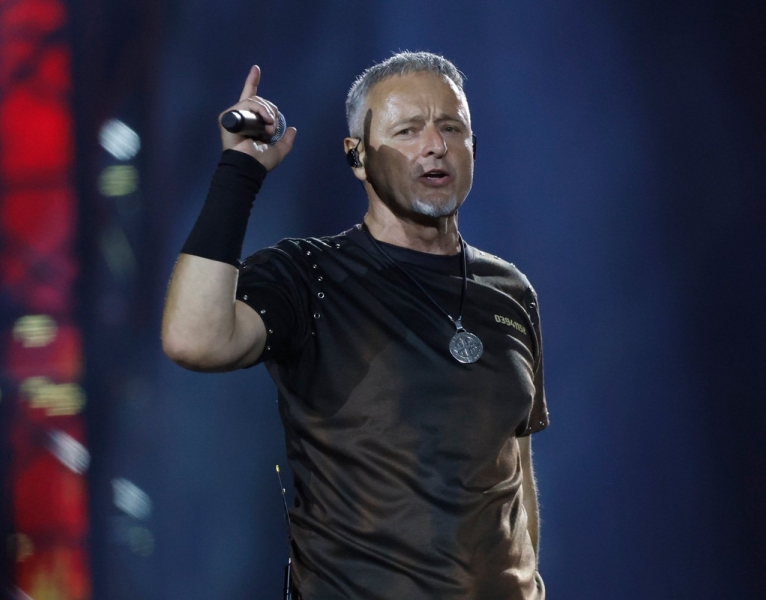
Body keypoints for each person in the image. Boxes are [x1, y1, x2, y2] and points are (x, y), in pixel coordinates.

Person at [162, 51, 549, 600]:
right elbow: (192, 338)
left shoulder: (510, 290)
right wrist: (239, 174)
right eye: (408, 130)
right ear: (357, 157)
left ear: (473, 147)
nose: (435, 145)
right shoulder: (308, 275)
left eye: (451, 127)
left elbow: (514, 470)